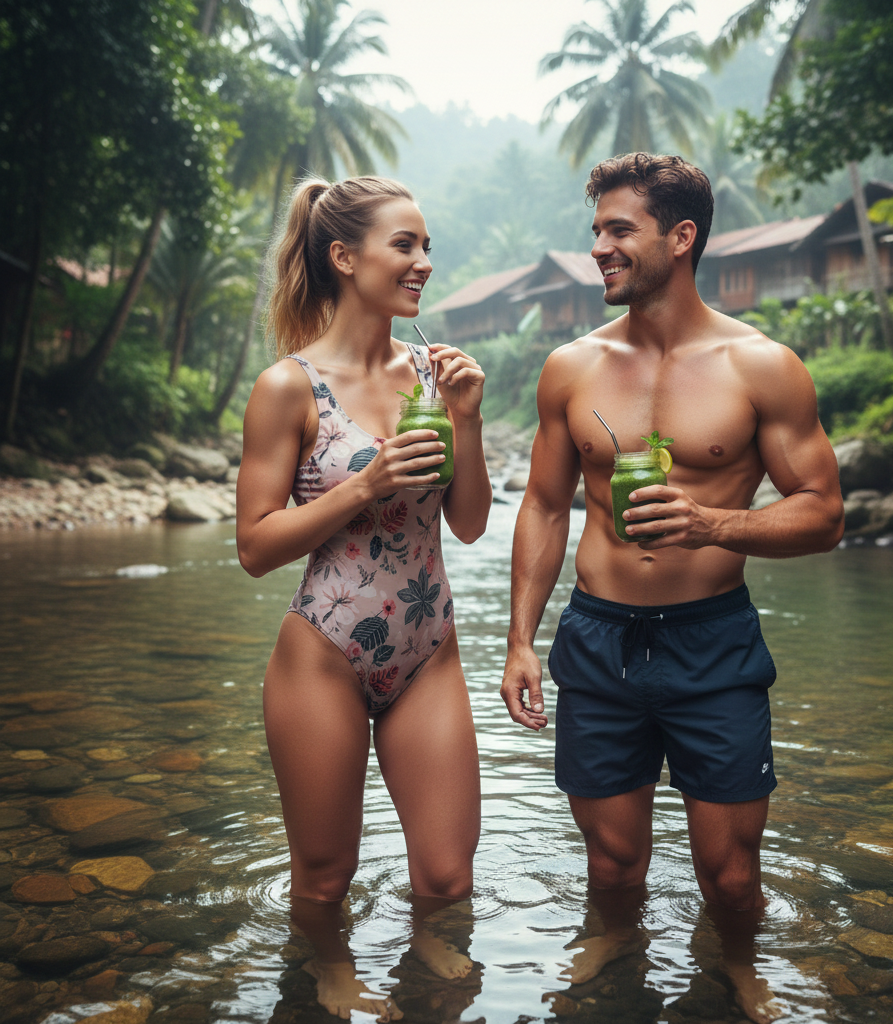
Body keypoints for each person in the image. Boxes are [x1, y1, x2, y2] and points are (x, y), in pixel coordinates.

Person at [499, 153, 844, 1023]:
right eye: (596, 232)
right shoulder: (570, 368)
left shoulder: (761, 366)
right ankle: (614, 953)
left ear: (681, 237)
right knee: (612, 865)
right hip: (598, 638)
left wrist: (714, 524)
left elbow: (824, 514)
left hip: (712, 639)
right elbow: (543, 507)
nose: (600, 249)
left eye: (620, 230)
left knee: (730, 874)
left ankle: (736, 968)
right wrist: (518, 641)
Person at [236, 175, 490, 1020]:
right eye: (404, 245)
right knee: (323, 877)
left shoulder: (433, 373)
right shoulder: (288, 388)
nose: (423, 262)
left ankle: (422, 983)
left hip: (428, 651)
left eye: (426, 246)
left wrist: (469, 421)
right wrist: (362, 484)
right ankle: (332, 976)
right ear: (344, 257)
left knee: (449, 875)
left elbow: (469, 525)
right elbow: (254, 547)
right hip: (325, 656)